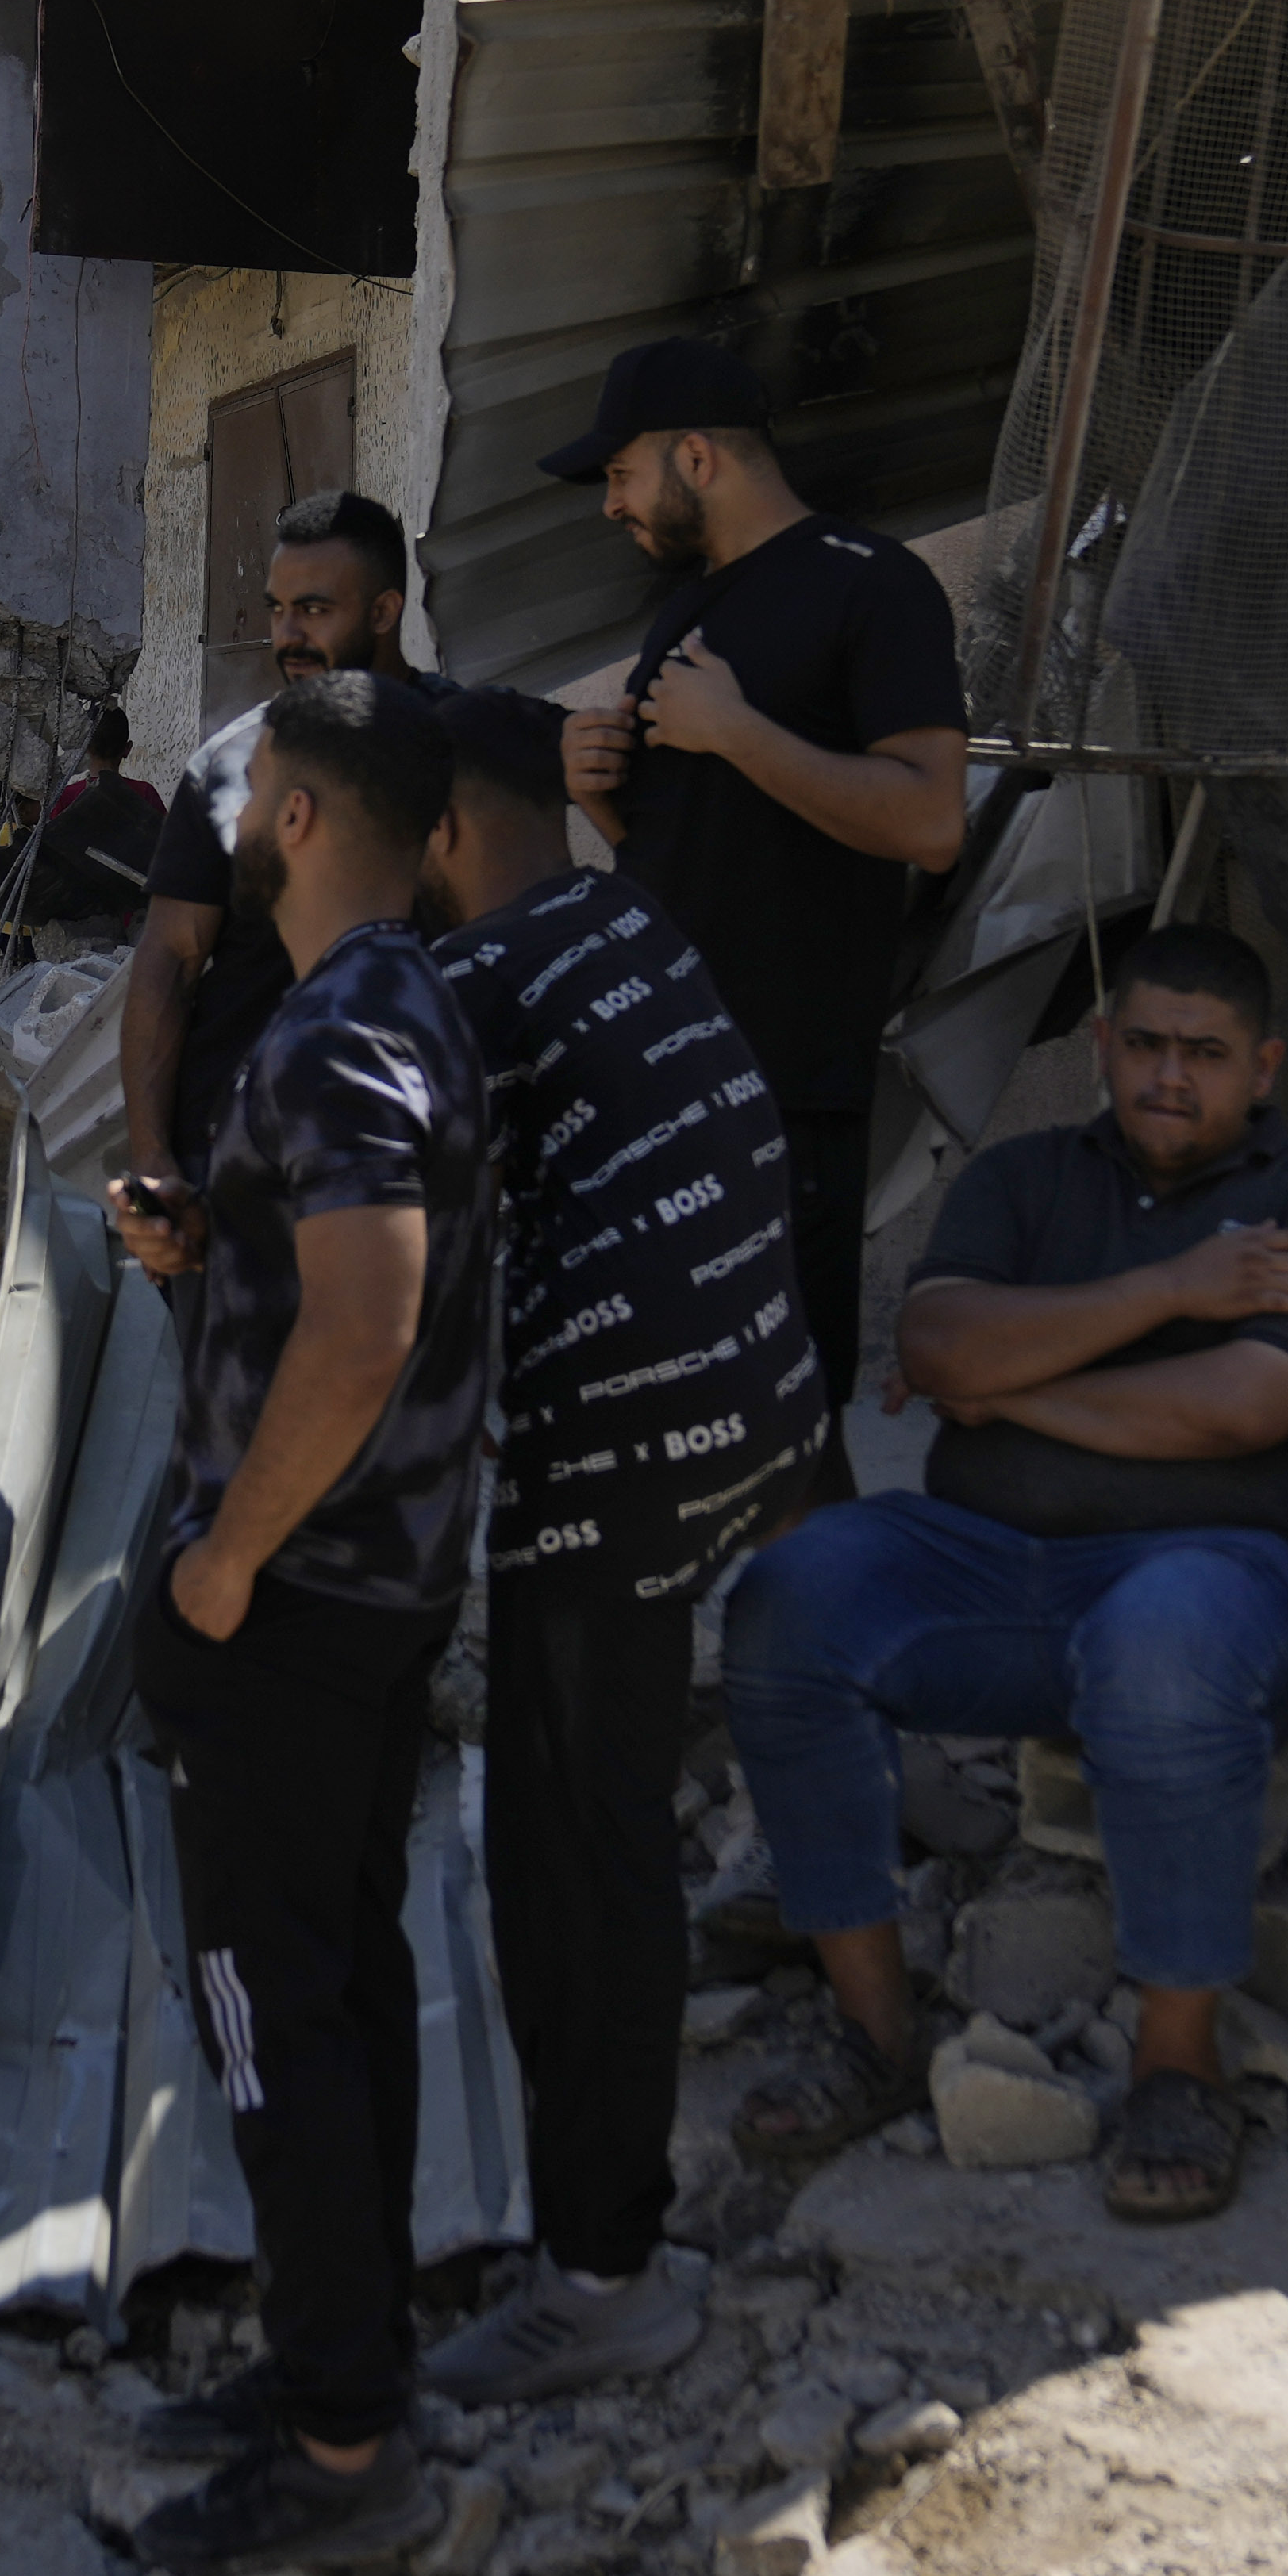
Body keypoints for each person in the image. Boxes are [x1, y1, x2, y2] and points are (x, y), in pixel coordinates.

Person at [723, 927, 1288, 2228]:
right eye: (1144, 1045)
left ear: (1260, 1070)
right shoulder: (1027, 1180)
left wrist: (1011, 1391)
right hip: (1000, 1563)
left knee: (1158, 1644)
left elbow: (1232, 1413)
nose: (1167, 1076)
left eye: (1203, 1055)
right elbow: (932, 1338)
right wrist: (1176, 1287)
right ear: (1102, 1048)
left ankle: (1177, 2063)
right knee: (789, 1596)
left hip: (1245, 1571)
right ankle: (872, 2030)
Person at [101, 673, 501, 2574]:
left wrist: (221, 1557)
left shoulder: (342, 1028)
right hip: (378, 1578)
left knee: (271, 2007)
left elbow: (365, 1320)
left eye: (256, 784)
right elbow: (326, 1272)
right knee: (336, 1982)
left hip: (298, 1598)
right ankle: (349, 2357)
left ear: (294, 814)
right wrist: (208, 1229)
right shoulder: (409, 1004)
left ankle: (343, 2448)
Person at [409, 686, 825, 2394]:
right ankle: (599, 2226)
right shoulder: (624, 923)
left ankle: (601, 2270)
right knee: (610, 1827)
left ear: (434, 830)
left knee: (570, 1856)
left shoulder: (475, 985)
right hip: (751, 1416)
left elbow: (391, 1275)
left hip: (610, 1458)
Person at [549, 341, 972, 1415]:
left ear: (697, 455)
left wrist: (737, 734)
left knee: (783, 1420)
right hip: (659, 1086)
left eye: (620, 474)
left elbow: (930, 820)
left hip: (781, 1092)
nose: (610, 506)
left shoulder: (873, 585)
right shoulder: (686, 613)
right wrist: (597, 794)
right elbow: (688, 848)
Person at [120, 494, 426, 1207]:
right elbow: (170, 961)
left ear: (384, 613)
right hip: (243, 1180)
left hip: (406, 1173)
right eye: (278, 609)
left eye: (315, 610)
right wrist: (154, 1157)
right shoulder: (230, 768)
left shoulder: (460, 750)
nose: (288, 634)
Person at [18, 705, 159, 945]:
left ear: (84, 751)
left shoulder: (65, 797)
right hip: (138, 919)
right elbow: (165, 852)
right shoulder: (144, 793)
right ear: (127, 750)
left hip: (80, 924)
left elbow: (51, 863)